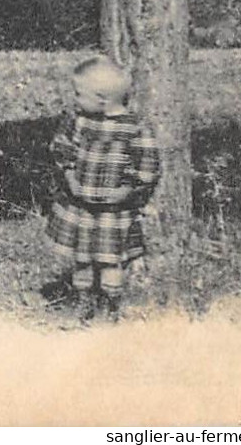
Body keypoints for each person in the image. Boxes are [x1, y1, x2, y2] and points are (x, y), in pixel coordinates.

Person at [40, 56, 161, 322]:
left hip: (112, 211)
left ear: (102, 98)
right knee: (81, 259)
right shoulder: (79, 121)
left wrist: (127, 188)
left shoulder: (135, 127)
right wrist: (70, 175)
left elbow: (148, 164)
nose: (74, 98)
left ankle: (110, 305)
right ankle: (83, 300)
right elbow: (62, 147)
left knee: (110, 260)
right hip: (81, 204)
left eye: (78, 93)